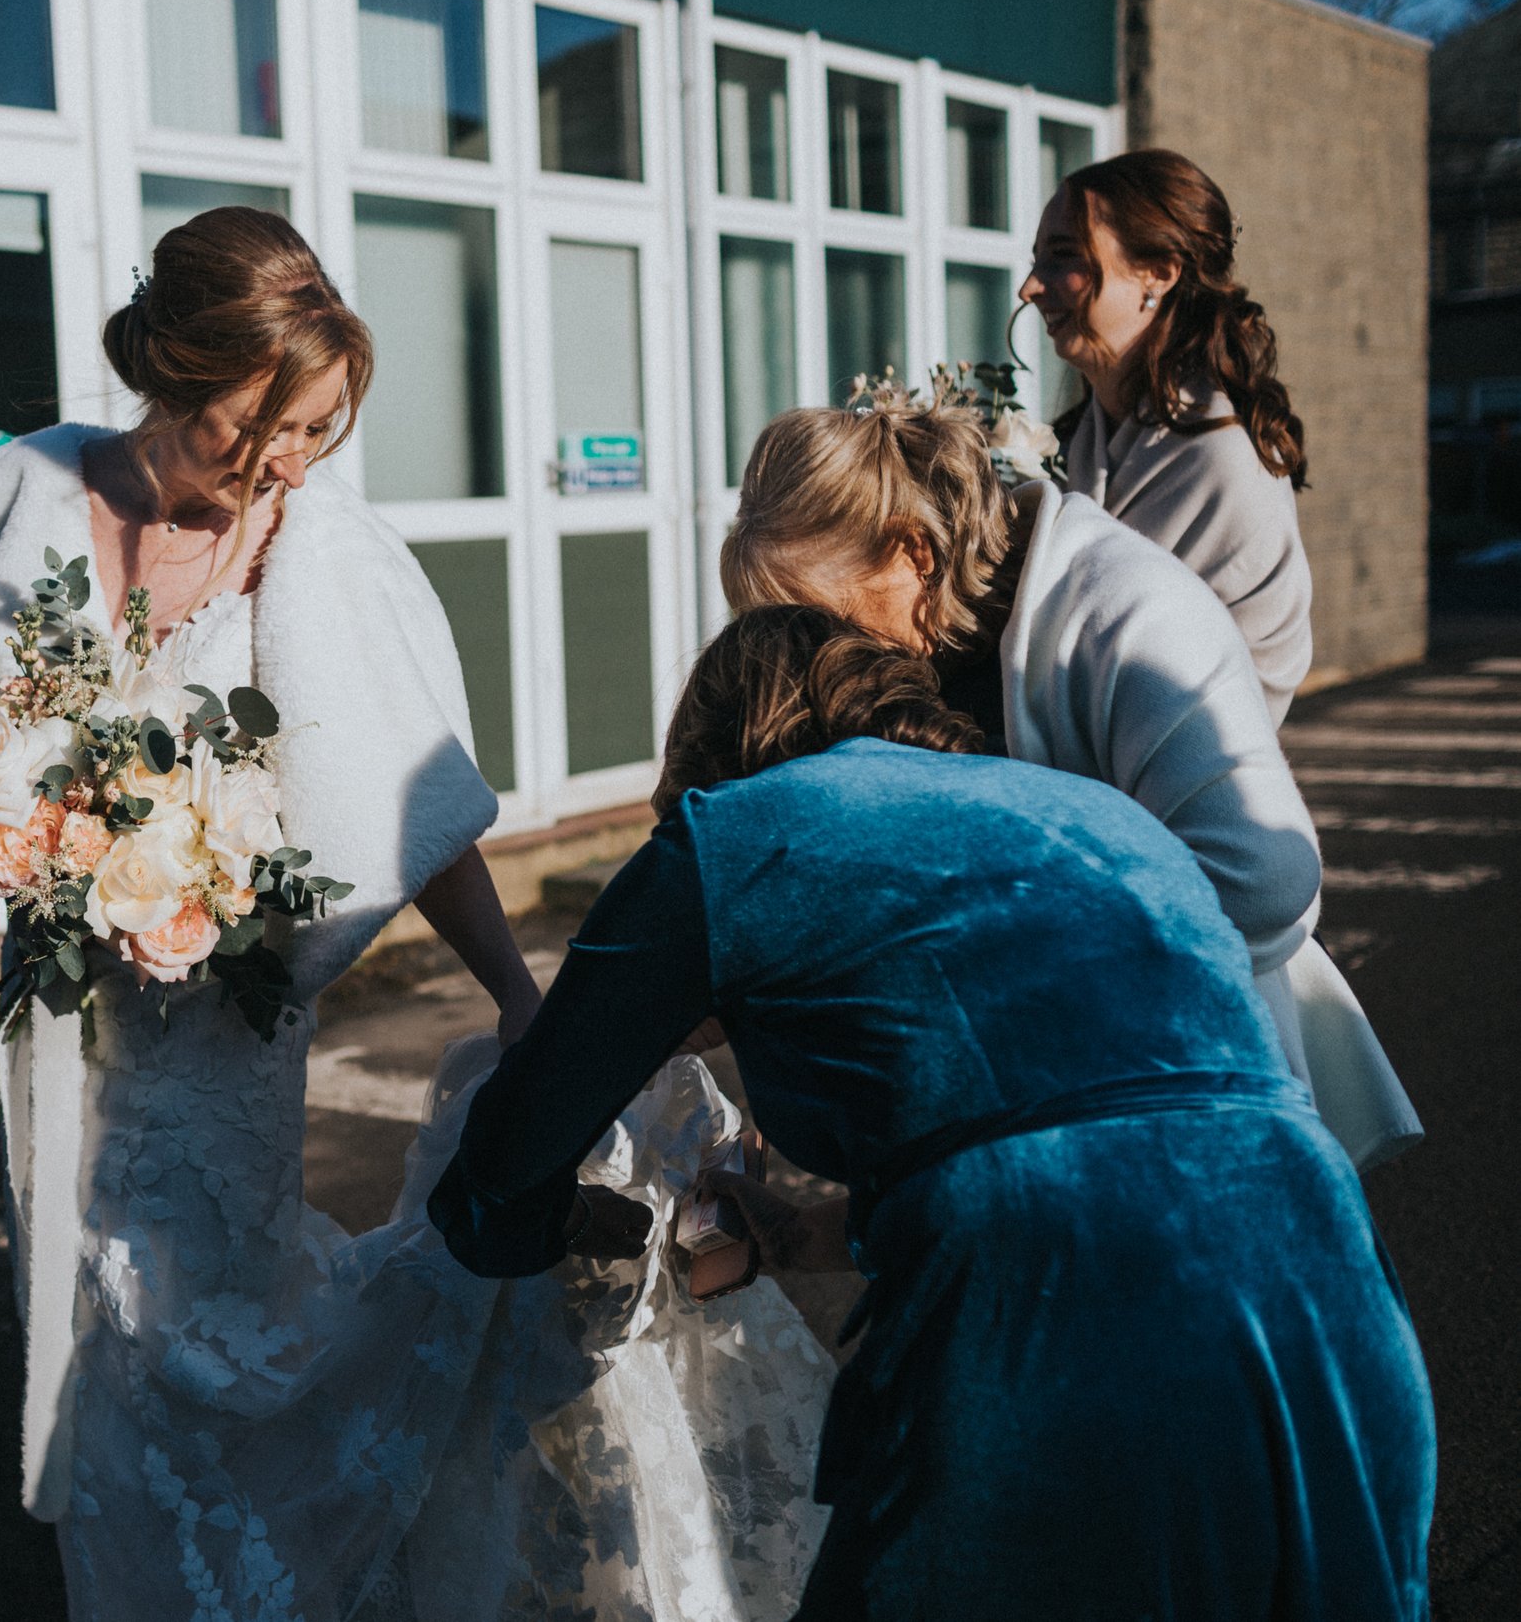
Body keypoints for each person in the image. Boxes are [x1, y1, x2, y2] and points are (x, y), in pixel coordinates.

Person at [0, 207, 832, 1621]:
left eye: (318, 433)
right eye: (255, 426)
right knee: (90, 1350)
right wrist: (19, 819)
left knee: (215, 1352)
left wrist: (533, 1009)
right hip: (59, 1028)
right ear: (173, 368)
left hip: (217, 1053)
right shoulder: (30, 496)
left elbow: (422, 806)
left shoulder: (317, 551)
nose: (283, 463)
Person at [431, 606, 1436, 1621]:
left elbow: (499, 1169)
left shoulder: (724, 834)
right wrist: (791, 1231)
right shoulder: (1090, 810)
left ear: (715, 745)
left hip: (1053, 1299)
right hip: (1324, 1268)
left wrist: (571, 1222)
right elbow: (1094, 1119)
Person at [719, 399, 1421, 1170]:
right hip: (1053, 1106)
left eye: (825, 623)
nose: (815, 660)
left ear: (913, 552)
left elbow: (1264, 881)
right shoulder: (928, 639)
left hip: (1190, 1097)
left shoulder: (1129, 611)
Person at [1022, 148, 1313, 722]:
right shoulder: (1082, 439)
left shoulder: (1222, 460)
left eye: (1064, 258)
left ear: (1158, 273)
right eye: (1037, 260)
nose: (1030, 287)